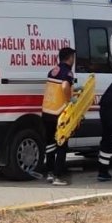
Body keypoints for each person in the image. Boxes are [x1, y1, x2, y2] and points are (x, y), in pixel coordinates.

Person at [33, 46, 76, 186]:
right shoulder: (67, 72)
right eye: (73, 57)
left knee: (50, 144)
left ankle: (50, 173)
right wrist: (70, 99)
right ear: (70, 58)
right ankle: (58, 176)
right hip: (60, 113)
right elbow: (64, 87)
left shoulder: (53, 71)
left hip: (47, 111)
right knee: (62, 144)